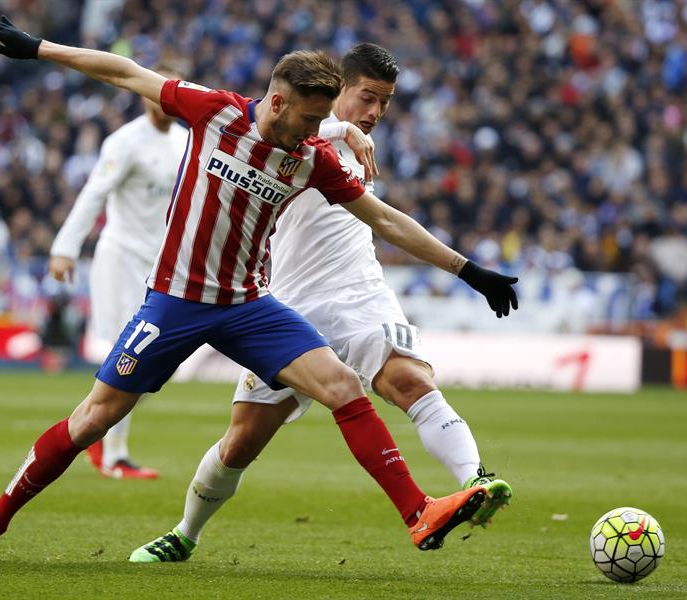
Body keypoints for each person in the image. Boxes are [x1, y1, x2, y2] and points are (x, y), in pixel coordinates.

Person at [0, 16, 517, 563]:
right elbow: (125, 72)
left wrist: (469, 271)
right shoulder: (215, 112)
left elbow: (387, 220)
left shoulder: (312, 159)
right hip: (175, 301)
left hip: (248, 304)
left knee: (343, 386)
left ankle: (418, 511)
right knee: (92, 420)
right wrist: (39, 48)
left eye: (323, 122)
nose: (314, 132)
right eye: (309, 119)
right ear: (278, 102)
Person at [129, 43, 512, 563]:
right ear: (337, 91)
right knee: (242, 441)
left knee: (411, 381)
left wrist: (468, 270)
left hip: (359, 298)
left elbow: (389, 221)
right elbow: (266, 119)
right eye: (367, 97)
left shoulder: (349, 149)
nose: (375, 112)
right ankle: (185, 533)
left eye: (385, 103)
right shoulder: (297, 136)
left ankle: (475, 483)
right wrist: (337, 128)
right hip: (285, 311)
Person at [48, 62, 189, 480]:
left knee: (163, 361)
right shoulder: (125, 141)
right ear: (144, 94)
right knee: (128, 355)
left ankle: (95, 427)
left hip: (162, 264)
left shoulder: (187, 141)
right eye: (154, 89)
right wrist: (65, 248)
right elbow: (95, 192)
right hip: (121, 258)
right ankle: (114, 454)